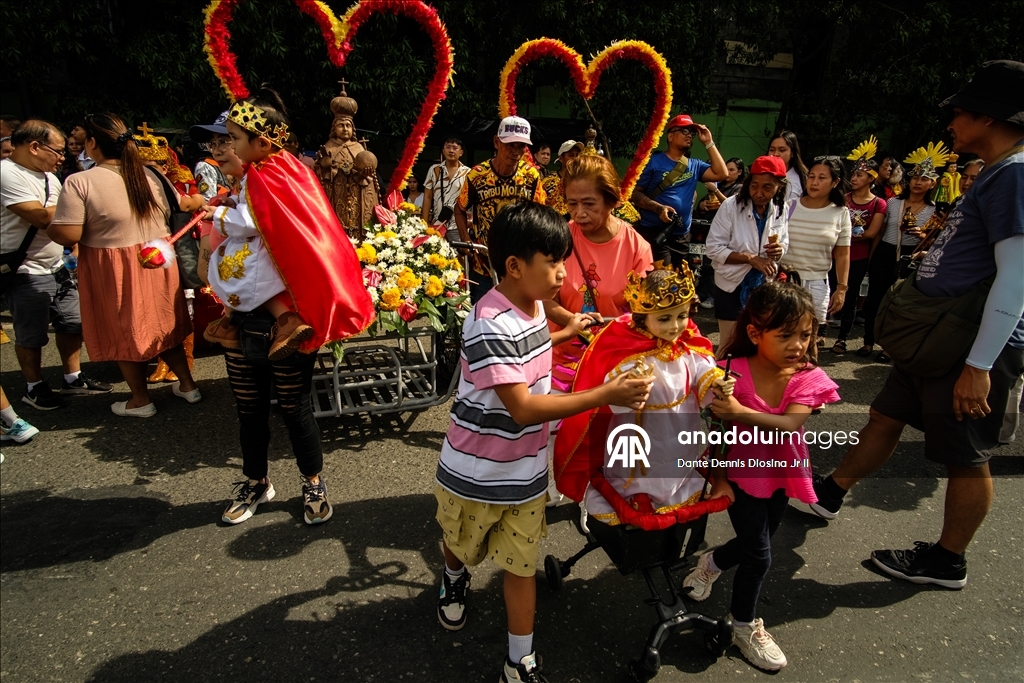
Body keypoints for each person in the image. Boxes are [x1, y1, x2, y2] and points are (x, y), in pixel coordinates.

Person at [810, 60, 1024, 591]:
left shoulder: (1017, 173)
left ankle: (947, 561)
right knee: (884, 415)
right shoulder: (1000, 170)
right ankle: (829, 492)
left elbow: (1017, 278)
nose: (951, 120)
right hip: (937, 338)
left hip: (968, 344)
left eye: (960, 111)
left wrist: (979, 365)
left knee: (965, 455)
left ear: (990, 117)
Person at [433, 201, 652, 683]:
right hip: (476, 471)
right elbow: (524, 407)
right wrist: (605, 394)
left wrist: (566, 331)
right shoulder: (490, 321)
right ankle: (452, 579)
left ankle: (519, 660)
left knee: (521, 566)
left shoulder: (531, 307)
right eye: (553, 263)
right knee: (459, 543)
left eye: (563, 261)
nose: (562, 274)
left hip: (525, 474)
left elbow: (526, 353)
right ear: (514, 266)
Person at [211, 87, 373, 526]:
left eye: (235, 139)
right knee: (248, 407)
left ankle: (313, 481)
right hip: (247, 313)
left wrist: (211, 213)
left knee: (293, 407)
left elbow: (255, 225)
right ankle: (256, 481)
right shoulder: (259, 174)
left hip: (288, 320)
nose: (229, 147)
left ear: (261, 142)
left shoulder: (274, 174)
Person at [682, 281, 840, 672]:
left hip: (782, 472)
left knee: (761, 540)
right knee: (760, 555)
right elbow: (714, 432)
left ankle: (713, 562)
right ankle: (743, 625)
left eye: (805, 335)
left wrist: (738, 412)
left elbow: (789, 424)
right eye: (785, 335)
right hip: (739, 475)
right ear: (755, 333)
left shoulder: (806, 377)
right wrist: (717, 472)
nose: (798, 345)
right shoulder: (729, 371)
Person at [553, 262, 735, 529]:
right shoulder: (626, 349)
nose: (675, 326)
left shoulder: (685, 345)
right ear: (642, 317)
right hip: (640, 426)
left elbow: (702, 369)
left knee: (673, 463)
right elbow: (611, 385)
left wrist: (717, 382)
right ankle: (631, 497)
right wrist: (628, 386)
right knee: (636, 469)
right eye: (665, 318)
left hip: (680, 424)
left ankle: (672, 495)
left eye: (682, 316)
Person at [47, 113, 197, 417]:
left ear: (92, 143)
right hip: (157, 259)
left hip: (114, 264)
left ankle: (140, 400)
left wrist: (49, 222)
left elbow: (68, 233)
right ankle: (188, 386)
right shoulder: (152, 174)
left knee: (124, 329)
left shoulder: (80, 181)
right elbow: (181, 206)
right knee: (163, 323)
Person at [1, 120, 112, 411]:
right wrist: (79, 201)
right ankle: (33, 386)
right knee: (32, 334)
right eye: (57, 150)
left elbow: (66, 220)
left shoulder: (51, 176)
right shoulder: (6, 174)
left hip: (58, 264)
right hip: (25, 270)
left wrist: (73, 245)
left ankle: (72, 376)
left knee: (72, 322)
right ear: (34, 147)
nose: (62, 157)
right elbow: (42, 217)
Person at [544, 154, 653, 393]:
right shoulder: (559, 238)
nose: (579, 213)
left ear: (611, 200)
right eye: (572, 204)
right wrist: (573, 323)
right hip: (560, 366)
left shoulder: (637, 248)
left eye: (589, 203)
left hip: (615, 366)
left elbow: (646, 313)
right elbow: (543, 300)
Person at [858, 146, 940, 361]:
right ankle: (867, 341)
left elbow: (934, 240)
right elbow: (879, 232)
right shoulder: (894, 203)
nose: (917, 182)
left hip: (911, 256)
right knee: (875, 297)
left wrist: (922, 234)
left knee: (901, 301)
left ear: (933, 183)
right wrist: (871, 257)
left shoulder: (935, 210)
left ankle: (888, 347)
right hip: (885, 250)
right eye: (915, 177)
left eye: (924, 179)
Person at [455, 116, 546, 303]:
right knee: (484, 318)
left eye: (521, 146)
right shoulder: (477, 176)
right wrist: (466, 239)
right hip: (485, 265)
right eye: (510, 145)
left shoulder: (531, 176)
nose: (515, 151)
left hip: (521, 264)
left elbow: (540, 212)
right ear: (497, 142)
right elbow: (459, 209)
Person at [706, 155, 789, 351]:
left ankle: (749, 382)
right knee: (729, 345)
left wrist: (780, 250)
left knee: (757, 345)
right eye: (754, 186)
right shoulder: (730, 206)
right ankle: (722, 381)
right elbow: (713, 248)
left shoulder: (781, 208)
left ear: (779, 186)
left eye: (767, 187)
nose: (759, 193)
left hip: (762, 286)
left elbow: (784, 240)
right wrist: (750, 259)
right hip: (731, 285)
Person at [631, 114, 728, 267]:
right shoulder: (653, 162)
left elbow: (722, 174)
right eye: (684, 131)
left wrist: (709, 143)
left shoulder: (694, 165)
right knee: (664, 281)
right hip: (654, 232)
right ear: (670, 136)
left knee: (677, 281)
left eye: (691, 132)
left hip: (681, 236)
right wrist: (658, 208)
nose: (689, 135)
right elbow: (635, 194)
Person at [780, 157, 852, 347]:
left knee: (808, 338)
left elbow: (843, 254)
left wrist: (842, 289)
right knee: (781, 332)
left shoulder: (841, 213)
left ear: (835, 182)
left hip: (817, 282)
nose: (814, 182)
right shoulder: (789, 207)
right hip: (785, 279)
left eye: (822, 178)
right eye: (811, 176)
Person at [835, 144, 886, 355]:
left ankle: (842, 338)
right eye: (853, 174)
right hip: (835, 254)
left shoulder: (878, 204)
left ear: (871, 178)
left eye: (860, 175)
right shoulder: (842, 198)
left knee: (849, 296)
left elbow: (871, 233)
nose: (854, 178)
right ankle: (819, 333)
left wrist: (848, 234)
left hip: (857, 257)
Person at [422, 136, 469, 237]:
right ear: (443, 150)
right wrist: (424, 223)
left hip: (458, 225)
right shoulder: (434, 170)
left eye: (455, 148)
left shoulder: (468, 173)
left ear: (461, 152)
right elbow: (427, 197)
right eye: (448, 147)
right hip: (437, 224)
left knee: (458, 252)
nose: (451, 151)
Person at [189, 111, 232, 201]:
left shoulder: (262, 181)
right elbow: (208, 202)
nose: (216, 152)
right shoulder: (206, 165)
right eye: (212, 144)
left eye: (222, 142)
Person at [541, 139, 583, 218]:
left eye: (577, 155)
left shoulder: (584, 181)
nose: (575, 159)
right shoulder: (548, 181)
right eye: (571, 155)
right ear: (561, 158)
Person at [768, 130, 809, 204]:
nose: (776, 154)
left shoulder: (802, 179)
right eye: (772, 150)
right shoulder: (760, 175)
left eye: (782, 150)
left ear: (792, 153)